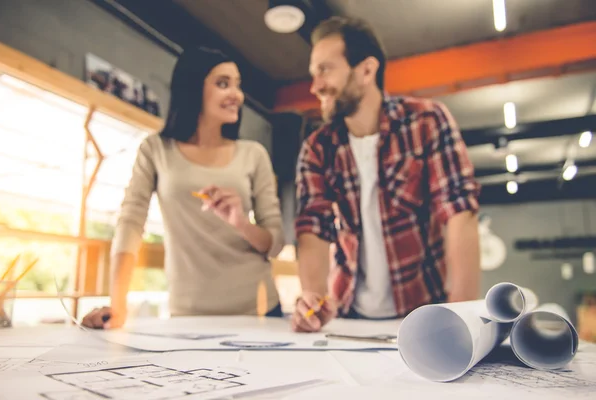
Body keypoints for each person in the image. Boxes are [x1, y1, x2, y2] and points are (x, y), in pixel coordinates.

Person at [291, 16, 481, 332]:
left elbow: (459, 212)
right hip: (349, 315)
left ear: (366, 70)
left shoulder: (426, 122)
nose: (315, 86)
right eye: (313, 74)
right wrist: (313, 299)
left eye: (325, 69)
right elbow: (312, 227)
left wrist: (461, 318)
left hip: (423, 315)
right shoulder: (318, 147)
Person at [82, 47, 285, 329]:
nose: (236, 95)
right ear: (193, 87)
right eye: (223, 83)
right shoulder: (156, 149)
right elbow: (130, 221)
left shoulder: (254, 154)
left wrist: (241, 223)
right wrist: (117, 304)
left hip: (259, 310)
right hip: (188, 314)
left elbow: (274, 244)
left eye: (238, 85)